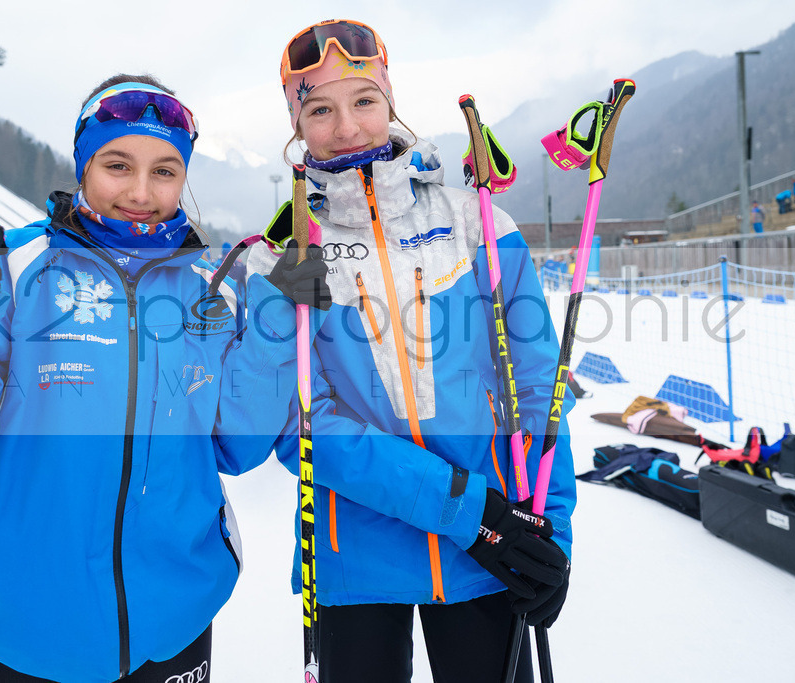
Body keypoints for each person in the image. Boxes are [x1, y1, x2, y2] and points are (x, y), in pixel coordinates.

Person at [0, 75, 329, 683]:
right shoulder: (17, 269)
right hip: (25, 623)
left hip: (175, 620)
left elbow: (236, 447)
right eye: (118, 164)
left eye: (165, 171)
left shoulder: (210, 289)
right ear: (83, 165)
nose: (141, 192)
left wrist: (275, 323)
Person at [247, 20, 575, 682]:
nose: (346, 128)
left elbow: (538, 383)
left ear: (390, 99)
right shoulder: (282, 253)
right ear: (296, 124)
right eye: (320, 109)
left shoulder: (476, 220)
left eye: (363, 100)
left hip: (491, 546)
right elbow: (298, 425)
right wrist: (462, 507)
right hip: (355, 559)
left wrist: (551, 532)